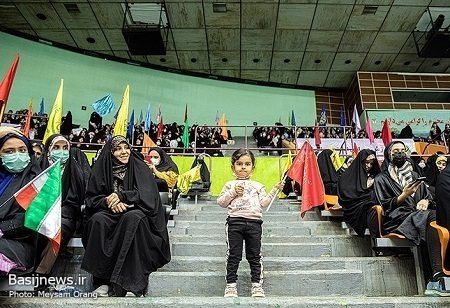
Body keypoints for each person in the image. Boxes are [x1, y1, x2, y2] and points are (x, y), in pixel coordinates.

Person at [81, 136, 170, 297]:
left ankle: (132, 283)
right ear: (110, 152)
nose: (124, 152)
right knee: (97, 221)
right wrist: (109, 202)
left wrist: (123, 196)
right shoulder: (101, 169)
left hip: (138, 210)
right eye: (118, 149)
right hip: (110, 212)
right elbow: (92, 198)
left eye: (126, 147)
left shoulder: (139, 167)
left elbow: (148, 196)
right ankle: (102, 281)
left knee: (133, 219)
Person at [373, 141, 447, 295]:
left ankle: (437, 276)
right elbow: (384, 206)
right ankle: (438, 274)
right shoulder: (381, 178)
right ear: (389, 154)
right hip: (397, 219)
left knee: (432, 215)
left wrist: (426, 200)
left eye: (402, 150)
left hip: (419, 216)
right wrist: (403, 196)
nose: (400, 153)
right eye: (396, 151)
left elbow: (428, 198)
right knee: (431, 218)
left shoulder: (415, 176)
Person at [217, 149, 284, 298]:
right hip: (234, 223)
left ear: (253, 167)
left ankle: (257, 285)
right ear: (233, 166)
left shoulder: (258, 185)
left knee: (254, 255)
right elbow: (221, 202)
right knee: (233, 255)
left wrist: (274, 190)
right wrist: (233, 192)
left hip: (254, 224)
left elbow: (264, 203)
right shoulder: (229, 185)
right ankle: (231, 286)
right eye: (239, 163)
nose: (243, 167)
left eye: (247, 164)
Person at [34, 134, 91, 276]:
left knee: (58, 228)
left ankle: (41, 272)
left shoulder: (75, 170)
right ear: (49, 150)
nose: (62, 151)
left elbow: (75, 201)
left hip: (67, 214)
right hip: (40, 210)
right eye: (57, 147)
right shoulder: (37, 168)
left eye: (65, 148)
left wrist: (57, 211)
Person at [0, 127, 41, 275]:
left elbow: (34, 219)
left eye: (22, 150)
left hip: (18, 244)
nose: (17, 155)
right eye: (9, 151)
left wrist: (3, 229)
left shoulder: (37, 182)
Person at [338, 149, 381, 237]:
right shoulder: (347, 176)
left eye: (372, 163)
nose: (369, 166)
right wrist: (366, 188)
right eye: (367, 162)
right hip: (354, 208)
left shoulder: (375, 176)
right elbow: (346, 196)